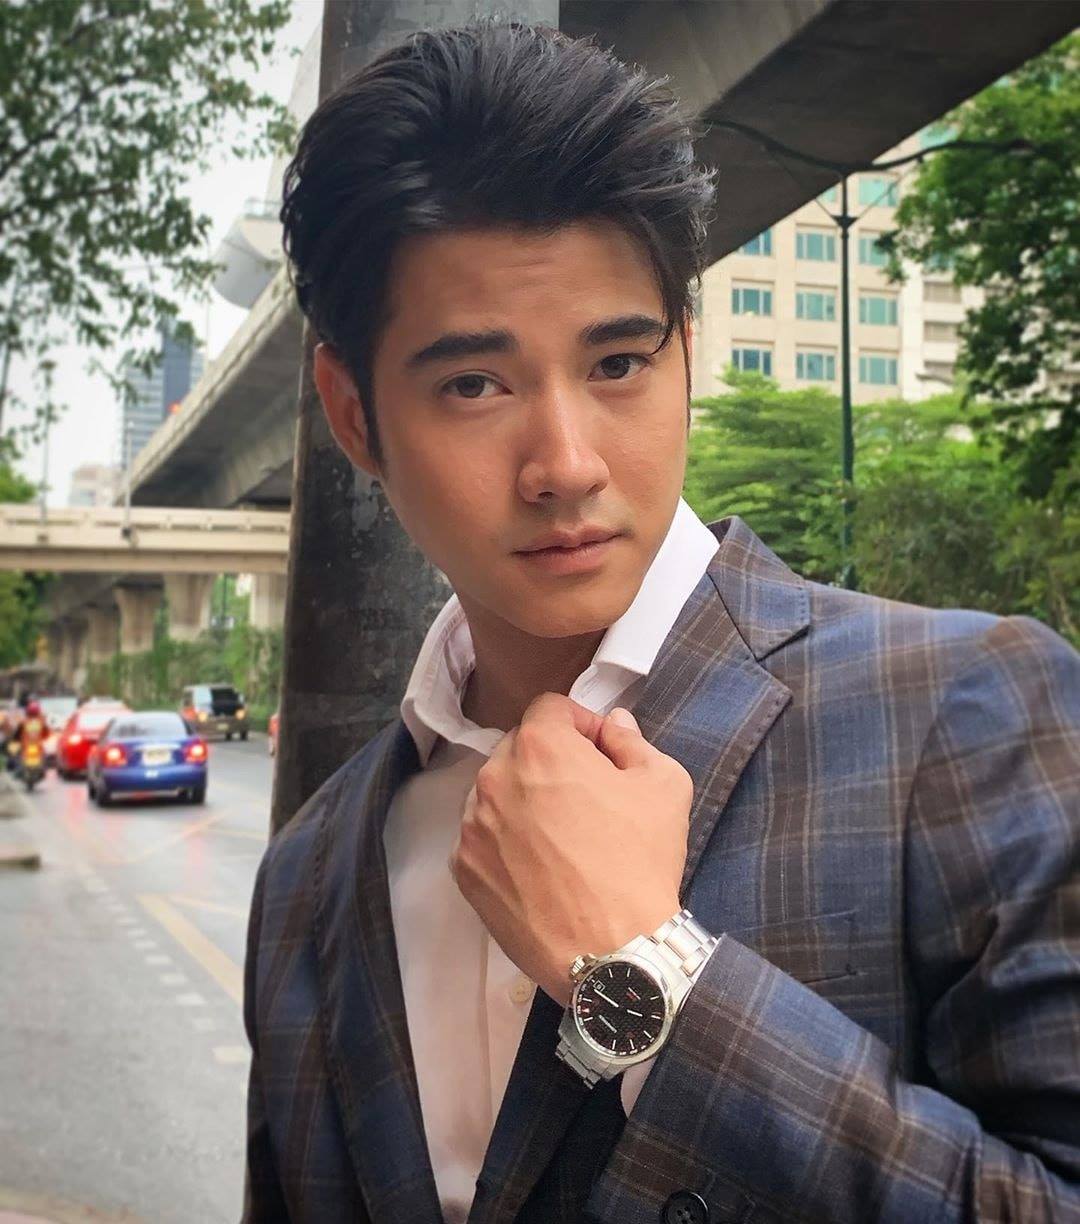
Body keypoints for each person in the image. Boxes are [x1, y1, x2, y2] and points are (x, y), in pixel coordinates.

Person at [243, 21, 1080, 1224]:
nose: (566, 464)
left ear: (686, 348)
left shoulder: (963, 717)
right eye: (474, 384)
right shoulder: (308, 875)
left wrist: (647, 974)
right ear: (352, 413)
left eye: (620, 363)